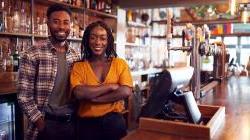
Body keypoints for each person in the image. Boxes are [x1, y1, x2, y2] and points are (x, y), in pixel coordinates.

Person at [18, 4, 80, 140]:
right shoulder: (32, 54)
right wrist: (41, 125)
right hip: (45, 125)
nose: (61, 27)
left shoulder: (76, 56)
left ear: (71, 25)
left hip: (71, 124)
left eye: (66, 22)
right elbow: (24, 96)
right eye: (56, 22)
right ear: (48, 23)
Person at [70, 21, 133, 140]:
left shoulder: (119, 63)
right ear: (87, 41)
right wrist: (110, 87)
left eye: (102, 38)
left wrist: (94, 99)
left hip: (114, 123)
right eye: (93, 38)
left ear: (108, 41)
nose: (98, 42)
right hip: (87, 127)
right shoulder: (79, 66)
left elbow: (125, 91)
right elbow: (79, 93)